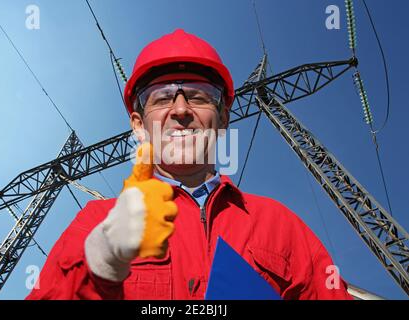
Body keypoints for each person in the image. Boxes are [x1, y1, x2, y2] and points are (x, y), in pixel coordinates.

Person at [26, 29, 352, 300]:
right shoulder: (98, 220)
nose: (181, 110)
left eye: (198, 96)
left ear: (223, 118)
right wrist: (98, 266)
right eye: (163, 97)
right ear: (139, 125)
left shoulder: (279, 224)